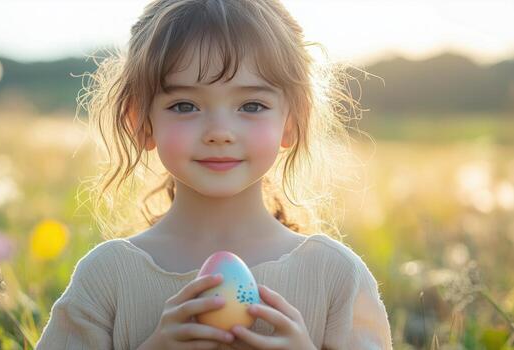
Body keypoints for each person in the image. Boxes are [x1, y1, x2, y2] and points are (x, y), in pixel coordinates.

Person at [36, 0, 393, 349]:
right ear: (141, 123)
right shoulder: (107, 277)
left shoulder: (336, 276)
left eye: (251, 105)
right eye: (185, 105)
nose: (219, 131)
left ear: (293, 122)